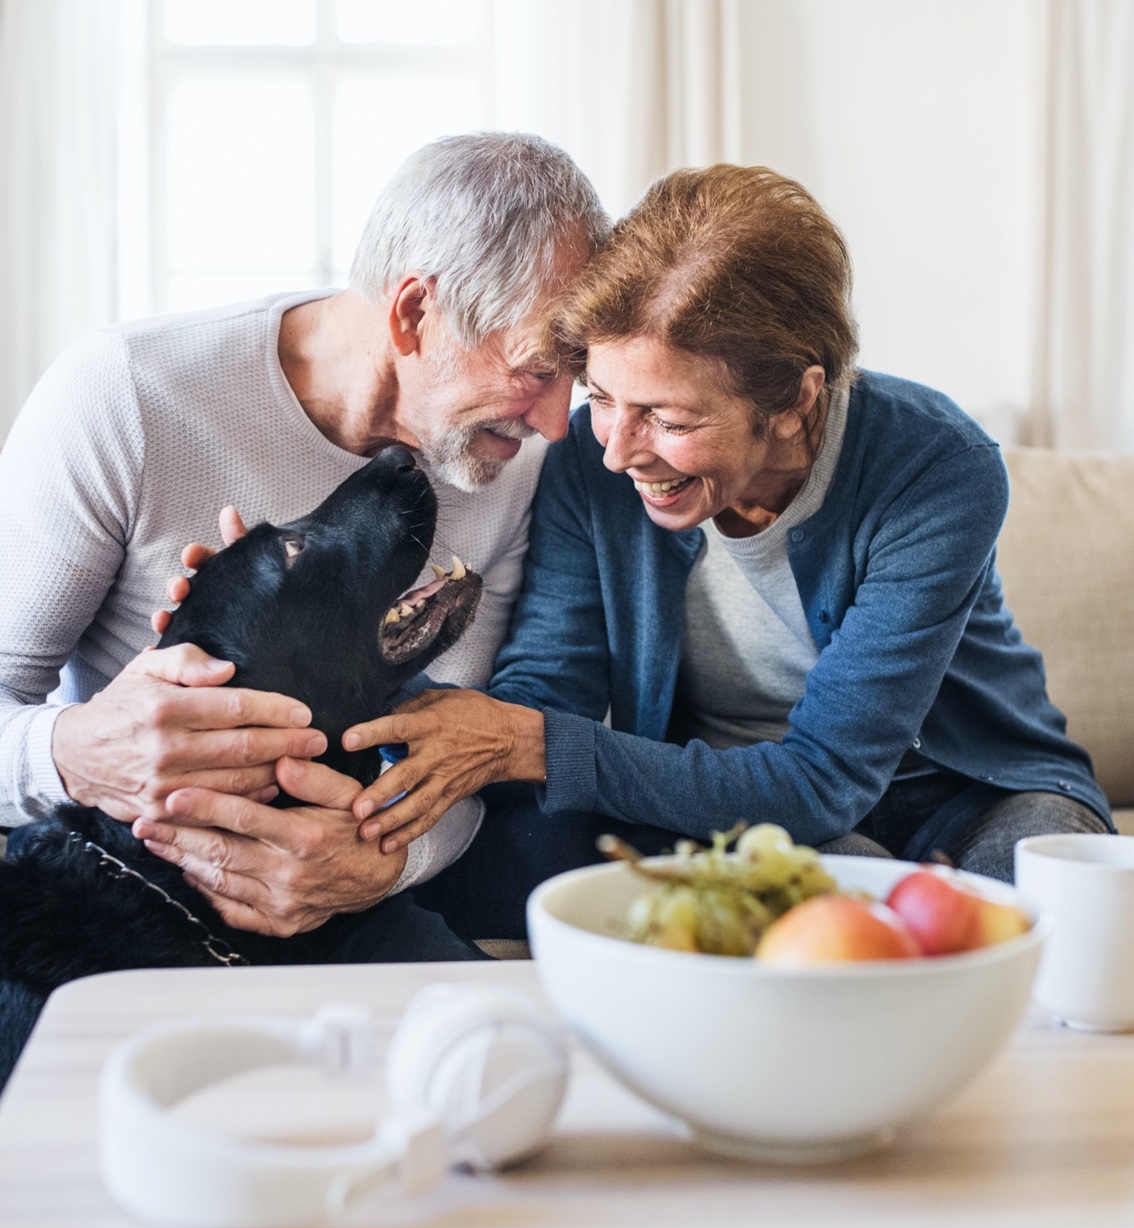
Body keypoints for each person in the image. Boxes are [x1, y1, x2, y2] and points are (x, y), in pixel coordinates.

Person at [328, 164, 1112, 939]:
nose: (617, 451)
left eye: (669, 418)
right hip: (739, 808)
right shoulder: (585, 464)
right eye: (601, 396)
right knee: (820, 919)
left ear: (796, 398)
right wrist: (363, 686)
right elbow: (546, 694)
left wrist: (531, 742)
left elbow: (824, 778)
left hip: (978, 790)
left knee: (1052, 913)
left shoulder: (936, 466)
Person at [0, 131, 609, 958]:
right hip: (123, 900)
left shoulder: (514, 461)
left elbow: (454, 759)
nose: (552, 418)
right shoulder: (126, 394)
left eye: (575, 375)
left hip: (348, 907)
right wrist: (74, 751)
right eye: (538, 370)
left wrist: (380, 867)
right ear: (414, 311)